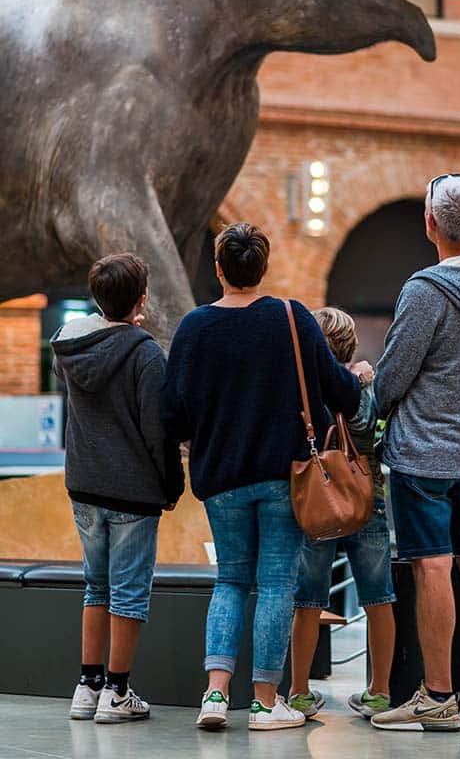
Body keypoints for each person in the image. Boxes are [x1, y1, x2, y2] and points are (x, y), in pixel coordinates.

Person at [161, 223, 369, 732]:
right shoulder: (291, 317)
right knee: (277, 584)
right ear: (264, 267)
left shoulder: (193, 328)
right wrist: (358, 377)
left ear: (218, 270)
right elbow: (340, 395)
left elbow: (173, 415)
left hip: (221, 478)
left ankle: (214, 695)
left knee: (230, 580)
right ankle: (263, 703)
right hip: (286, 476)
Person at [370, 174, 460, 732]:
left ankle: (437, 696)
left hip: (422, 458)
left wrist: (373, 393)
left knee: (433, 567)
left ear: (430, 224)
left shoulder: (425, 290)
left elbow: (394, 377)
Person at [51, 253, 184, 724]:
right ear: (143, 299)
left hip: (83, 488)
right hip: (132, 493)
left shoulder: (69, 347)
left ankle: (86, 687)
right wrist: (172, 484)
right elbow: (158, 431)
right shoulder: (146, 354)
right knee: (128, 594)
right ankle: (118, 692)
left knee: (96, 587)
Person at [289, 307, 395, 721]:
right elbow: (369, 425)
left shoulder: (301, 388)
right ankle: (380, 692)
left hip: (317, 495)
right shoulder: (361, 384)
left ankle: (299, 691)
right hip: (366, 494)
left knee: (308, 598)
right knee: (379, 595)